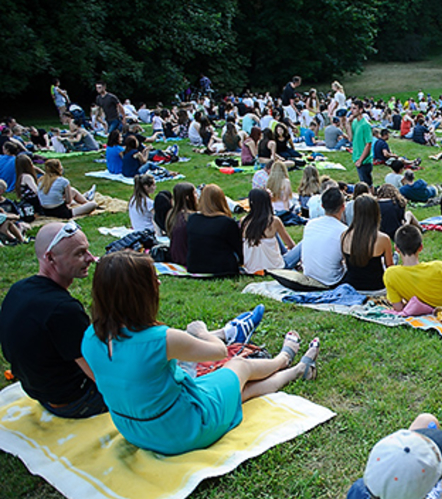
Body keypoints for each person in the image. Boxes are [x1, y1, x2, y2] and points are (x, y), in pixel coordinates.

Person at [82, 251, 319, 456]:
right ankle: (284, 359)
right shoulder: (162, 339)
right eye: (154, 280)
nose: (160, 284)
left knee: (241, 391)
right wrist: (202, 331)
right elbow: (219, 352)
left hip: (136, 431)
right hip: (184, 428)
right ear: (140, 293)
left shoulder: (90, 338)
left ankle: (298, 370)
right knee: (239, 365)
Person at [0, 222, 107, 418]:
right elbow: (98, 374)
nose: (90, 258)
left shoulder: (18, 289)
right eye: (79, 253)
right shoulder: (63, 310)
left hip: (38, 391)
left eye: (88, 250)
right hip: (72, 401)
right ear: (50, 258)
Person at [340, 195, 393, 292]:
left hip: (352, 286)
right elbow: (390, 267)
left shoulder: (345, 235)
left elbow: (346, 262)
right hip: (376, 287)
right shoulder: (383, 239)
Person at [186, 184, 243, 275]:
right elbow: (238, 248)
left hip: (194, 266)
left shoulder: (192, 219)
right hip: (222, 267)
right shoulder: (226, 222)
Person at [241, 189, 302, 273]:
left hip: (251, 267)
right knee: (303, 244)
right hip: (276, 267)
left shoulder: (244, 221)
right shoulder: (274, 221)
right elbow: (291, 244)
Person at [301, 187, 348, 286]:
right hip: (332, 280)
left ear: (322, 206)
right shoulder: (344, 231)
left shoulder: (310, 224)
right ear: (343, 207)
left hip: (309, 275)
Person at [166, 182, 197, 266]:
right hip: (188, 258)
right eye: (194, 193)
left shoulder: (171, 214)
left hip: (175, 256)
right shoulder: (191, 217)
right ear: (188, 197)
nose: (196, 195)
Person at [349, 100, 373, 185]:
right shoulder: (355, 122)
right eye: (351, 108)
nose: (352, 110)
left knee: (367, 184)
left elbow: (368, 144)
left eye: (354, 108)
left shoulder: (365, 124)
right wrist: (347, 123)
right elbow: (350, 138)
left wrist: (361, 160)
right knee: (363, 182)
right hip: (356, 156)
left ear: (361, 110)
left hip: (364, 160)